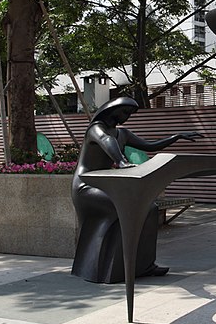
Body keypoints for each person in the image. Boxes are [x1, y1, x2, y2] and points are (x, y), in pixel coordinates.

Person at [71, 96, 202, 283]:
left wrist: (176, 137)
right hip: (86, 187)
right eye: (125, 112)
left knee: (150, 209)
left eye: (130, 114)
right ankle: (106, 266)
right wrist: (122, 162)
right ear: (113, 110)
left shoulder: (122, 133)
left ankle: (145, 265)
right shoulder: (96, 129)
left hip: (106, 185)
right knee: (132, 209)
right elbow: (107, 141)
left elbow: (149, 145)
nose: (127, 117)